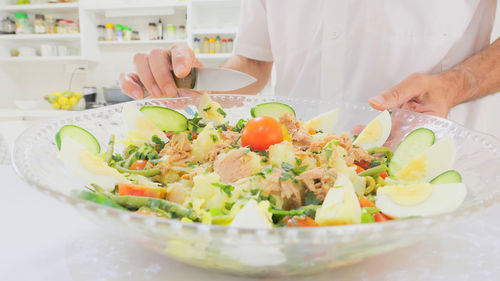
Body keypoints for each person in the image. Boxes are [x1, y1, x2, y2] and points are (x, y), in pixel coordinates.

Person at [120, 0, 500, 118]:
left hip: (427, 177)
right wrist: (192, 83)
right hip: (293, 173)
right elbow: (252, 65)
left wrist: (456, 84)